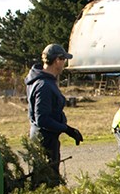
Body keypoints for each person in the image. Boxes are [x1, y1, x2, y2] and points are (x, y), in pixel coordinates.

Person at [26, 43, 84, 173]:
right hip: (44, 141)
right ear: (57, 60)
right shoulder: (44, 85)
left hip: (46, 138)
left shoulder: (44, 80)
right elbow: (42, 119)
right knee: (48, 179)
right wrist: (67, 129)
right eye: (64, 60)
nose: (64, 63)